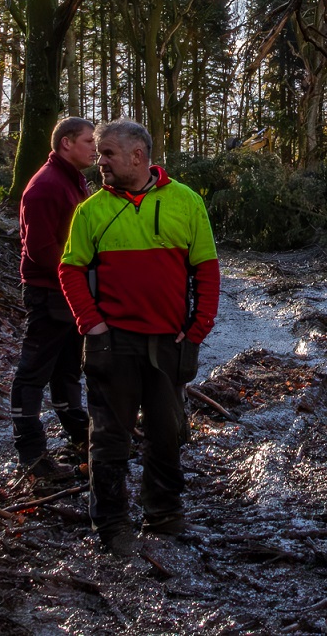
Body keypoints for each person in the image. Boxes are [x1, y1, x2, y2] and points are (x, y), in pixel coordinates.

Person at [58, 120, 220, 557]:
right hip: (113, 342)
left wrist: (196, 331)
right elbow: (70, 270)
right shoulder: (91, 210)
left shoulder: (185, 202)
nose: (100, 161)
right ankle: (112, 525)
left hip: (169, 342)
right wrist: (92, 325)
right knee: (109, 437)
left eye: (108, 153)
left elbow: (206, 270)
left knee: (167, 432)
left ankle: (164, 513)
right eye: (99, 152)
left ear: (137, 156)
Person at [10, 116, 97, 481]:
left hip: (70, 292)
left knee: (66, 370)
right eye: (88, 141)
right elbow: (41, 250)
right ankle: (32, 455)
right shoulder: (45, 186)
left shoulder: (73, 181)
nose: (95, 148)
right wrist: (77, 273)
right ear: (65, 143)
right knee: (33, 373)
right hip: (49, 293)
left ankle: (81, 436)